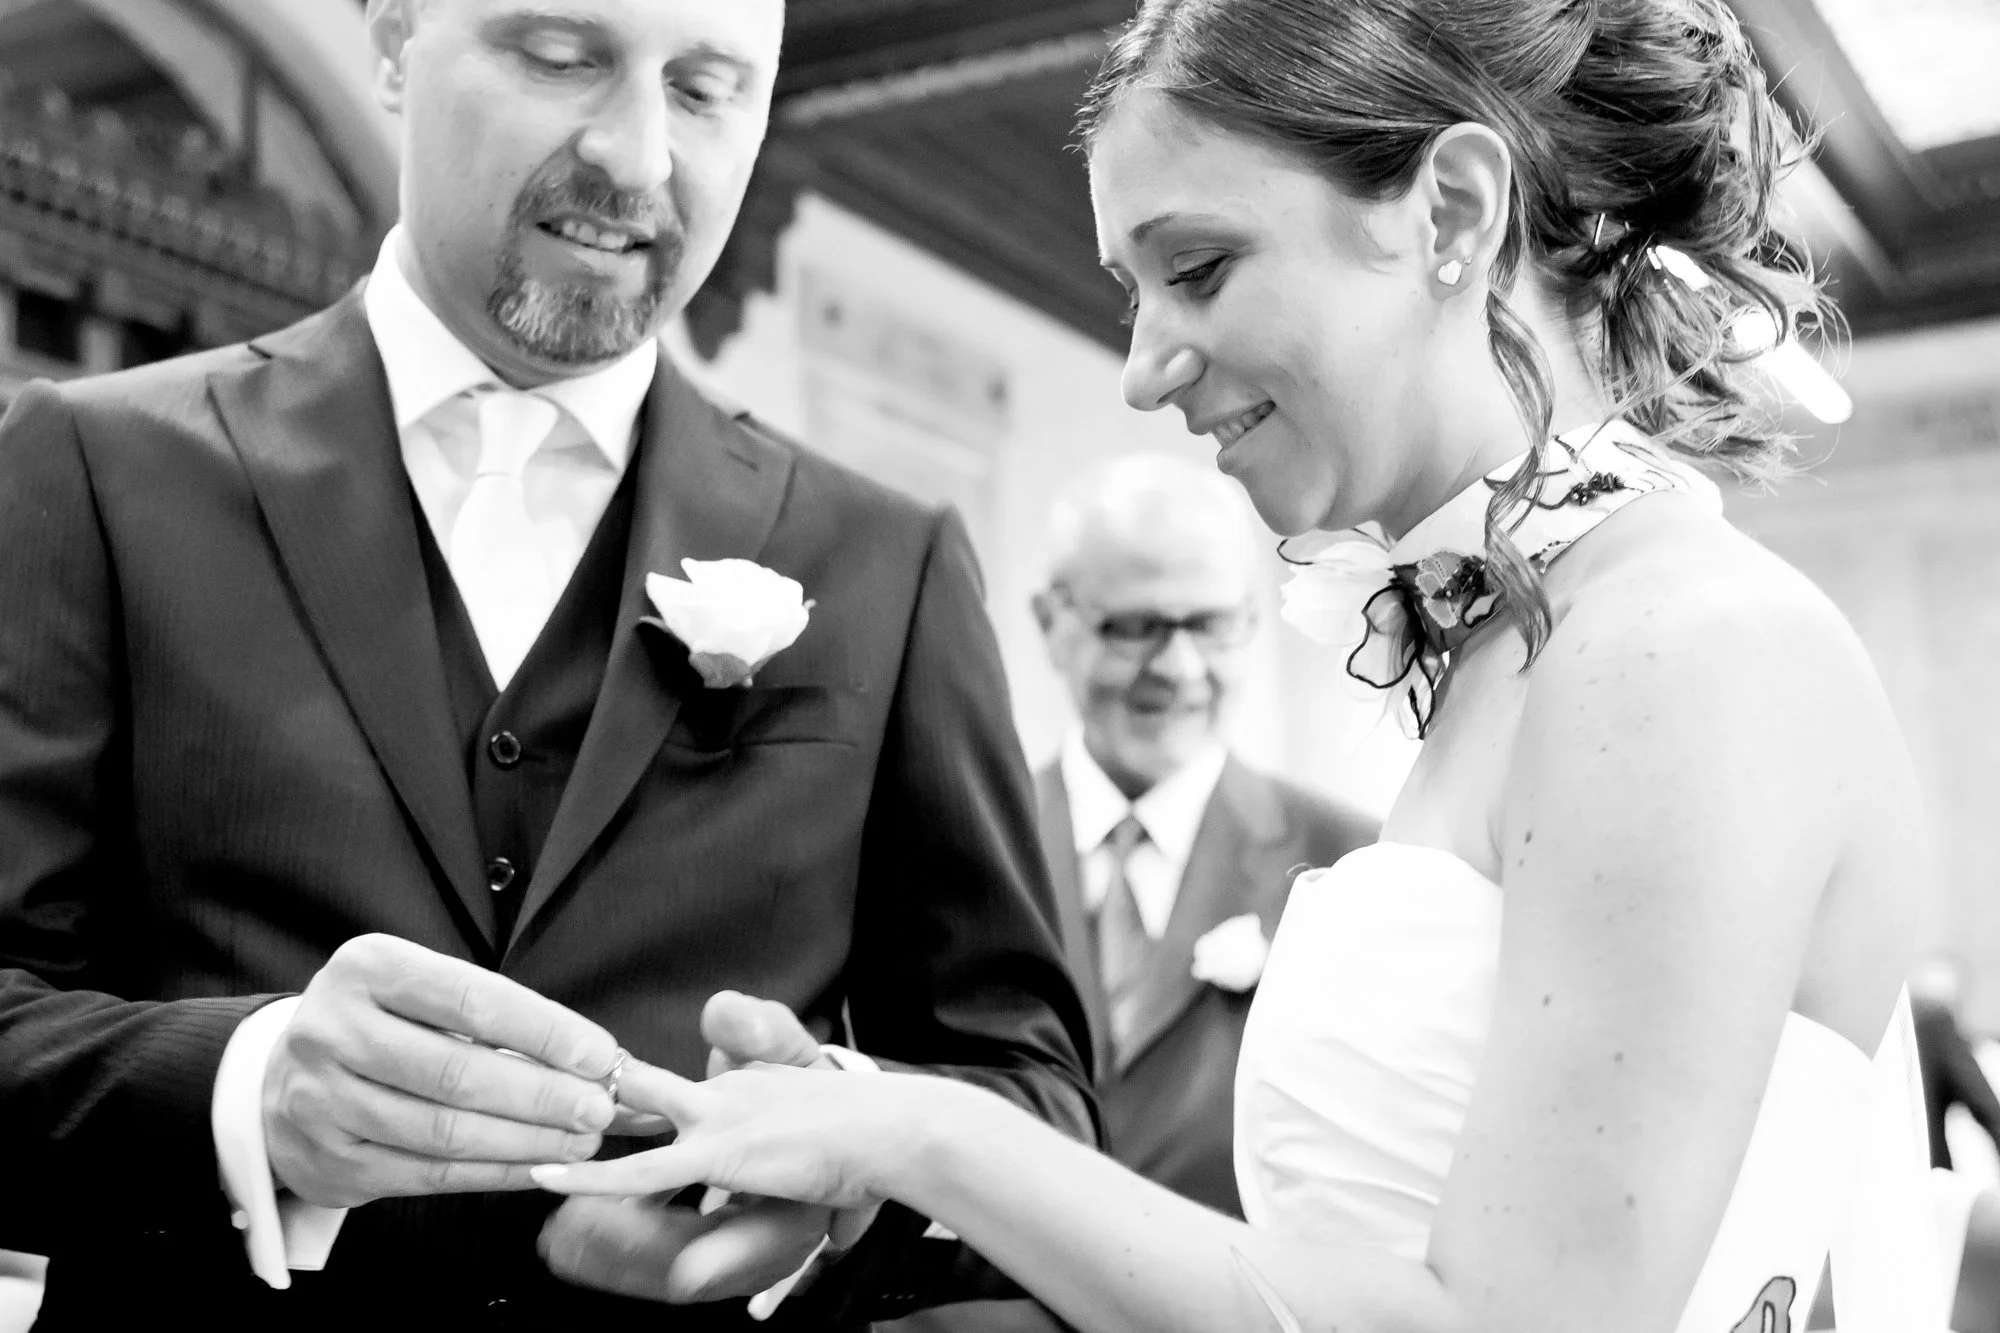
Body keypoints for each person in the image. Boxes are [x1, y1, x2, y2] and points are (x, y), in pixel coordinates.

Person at [528, 1, 1950, 1329]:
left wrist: (929, 1131)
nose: (1143, 369)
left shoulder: (1681, 649)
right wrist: (864, 1133)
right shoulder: (1532, 650)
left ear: (1451, 210)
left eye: (1198, 268)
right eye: (1134, 291)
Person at [0, 0, 1094, 1328]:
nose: (638, 157)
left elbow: (1034, 1104)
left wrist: (847, 1158)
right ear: (397, 38)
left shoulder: (889, 560)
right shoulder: (89, 466)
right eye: (564, 58)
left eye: (707, 89)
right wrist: (247, 1087)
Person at [900, 456, 1378, 1333]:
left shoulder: (1353, 863)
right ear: (1051, 624)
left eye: (1213, 625)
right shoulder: (949, 843)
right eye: (1135, 628)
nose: (1179, 666)